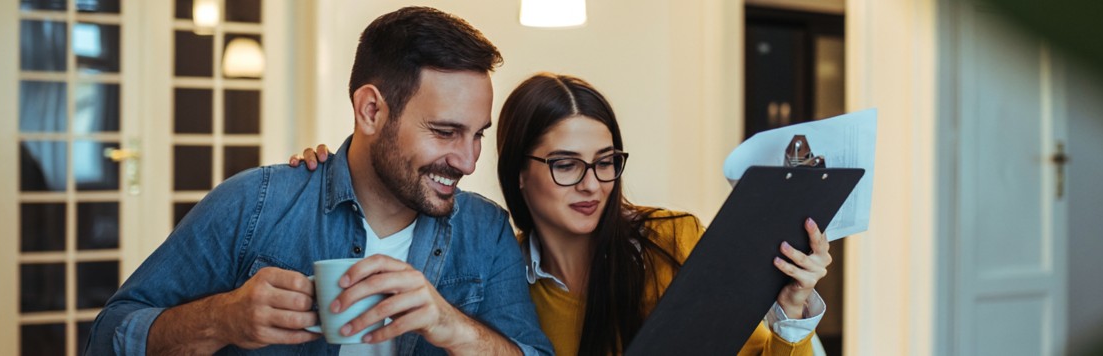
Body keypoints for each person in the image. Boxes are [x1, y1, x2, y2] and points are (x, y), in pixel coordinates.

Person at [85, 7, 552, 355]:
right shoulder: (255, 204)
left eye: (478, 136)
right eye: (446, 132)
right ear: (371, 110)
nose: (468, 162)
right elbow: (108, 337)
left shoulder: (486, 232)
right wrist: (222, 319)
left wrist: (453, 326)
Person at [294, 73, 832, 355]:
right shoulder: (499, 279)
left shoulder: (674, 239)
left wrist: (792, 309)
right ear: (519, 172)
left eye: (605, 163)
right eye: (566, 165)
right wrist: (339, 167)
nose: (592, 185)